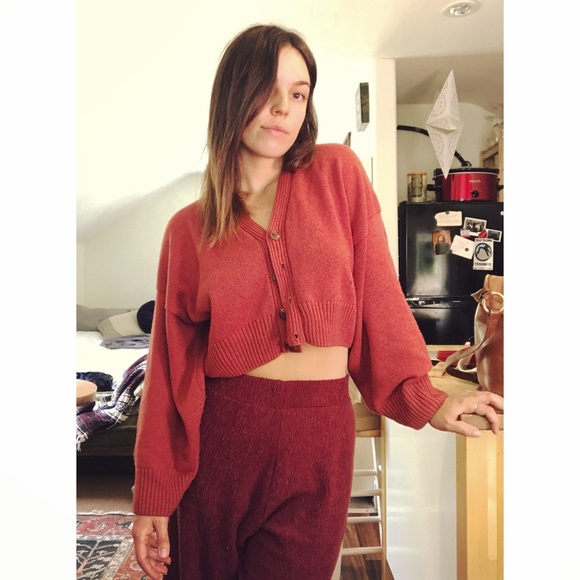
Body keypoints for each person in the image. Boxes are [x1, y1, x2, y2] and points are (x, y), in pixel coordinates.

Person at [131, 23, 503, 580]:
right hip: (223, 440)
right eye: (268, 89)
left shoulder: (338, 176)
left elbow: (379, 299)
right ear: (233, 94)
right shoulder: (188, 231)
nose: (284, 108)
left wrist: (425, 399)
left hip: (321, 436)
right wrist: (154, 494)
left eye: (299, 93)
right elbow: (169, 368)